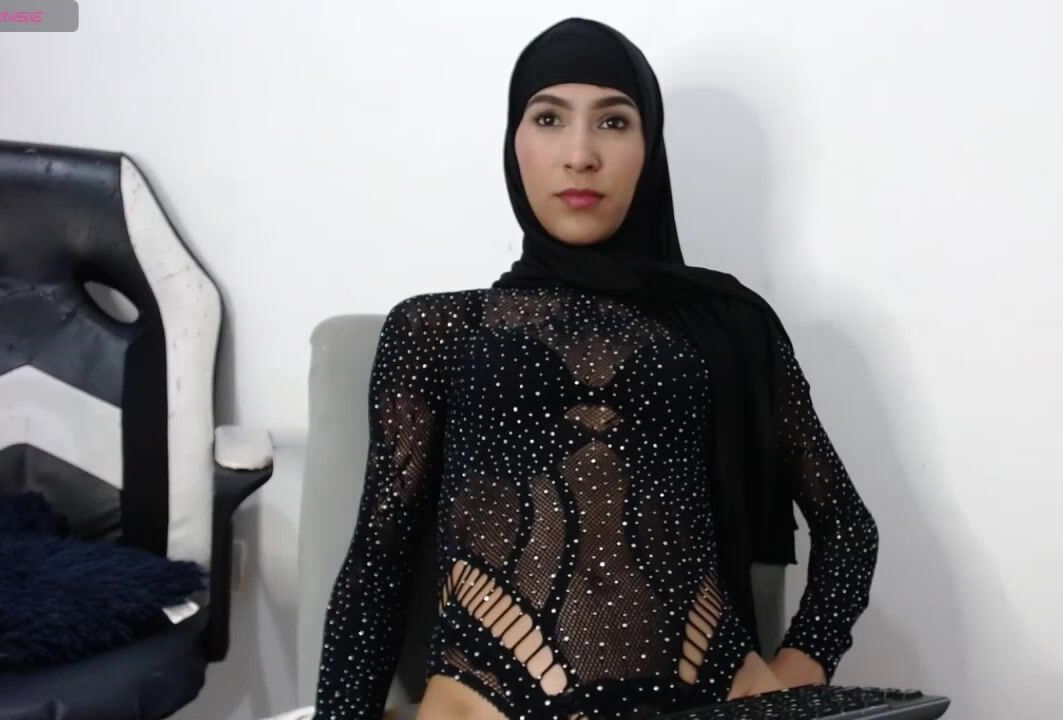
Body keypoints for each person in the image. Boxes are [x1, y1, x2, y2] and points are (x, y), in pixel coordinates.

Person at [313, 17, 878, 720]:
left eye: (613, 122)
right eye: (549, 118)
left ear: (650, 148)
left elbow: (848, 528)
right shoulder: (438, 330)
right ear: (514, 142)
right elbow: (378, 564)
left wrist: (797, 674)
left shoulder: (727, 323)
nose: (580, 155)